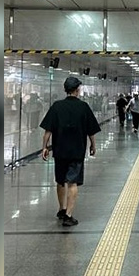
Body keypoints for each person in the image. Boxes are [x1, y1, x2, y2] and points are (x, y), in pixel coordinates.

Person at [40, 76, 101, 227]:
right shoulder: (83, 107)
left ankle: (61, 209)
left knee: (60, 181)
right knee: (72, 183)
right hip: (76, 150)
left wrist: (44, 147)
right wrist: (93, 145)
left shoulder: (56, 106)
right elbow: (90, 130)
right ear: (77, 90)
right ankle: (68, 216)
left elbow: (48, 130)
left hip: (59, 150)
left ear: (65, 90)